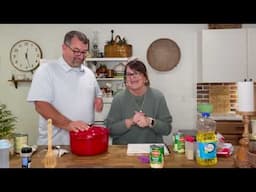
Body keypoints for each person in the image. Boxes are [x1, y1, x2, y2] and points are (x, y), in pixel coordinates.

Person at [27, 30, 103, 145]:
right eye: (76, 51)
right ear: (64, 47)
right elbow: (41, 106)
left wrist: (98, 100)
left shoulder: (88, 73)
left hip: (84, 142)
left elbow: (97, 96)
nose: (81, 56)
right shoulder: (46, 71)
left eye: (84, 52)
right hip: (54, 147)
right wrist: (68, 124)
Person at [105, 59, 172, 144]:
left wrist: (149, 121)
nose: (133, 77)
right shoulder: (118, 99)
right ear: (125, 79)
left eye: (137, 73)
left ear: (145, 77)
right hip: (124, 152)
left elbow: (167, 129)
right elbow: (110, 130)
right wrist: (130, 121)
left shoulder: (158, 97)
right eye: (129, 74)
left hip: (152, 151)